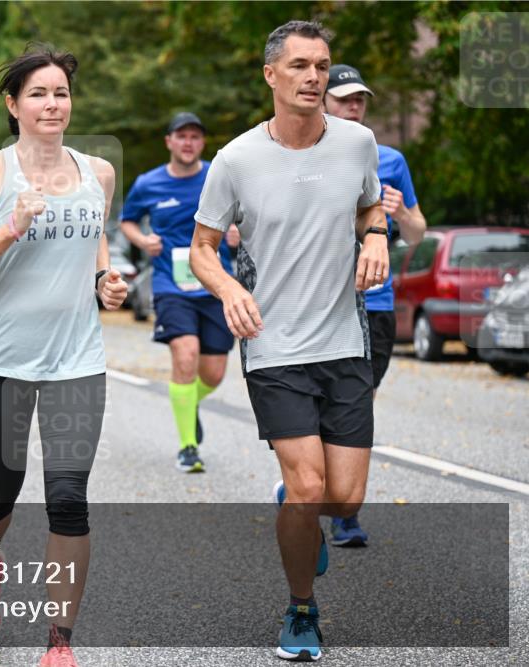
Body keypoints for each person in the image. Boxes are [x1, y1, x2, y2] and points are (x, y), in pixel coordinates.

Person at [191, 21, 388, 662]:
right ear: (271, 75)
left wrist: (379, 235)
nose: (313, 77)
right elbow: (202, 250)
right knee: (308, 489)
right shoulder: (236, 159)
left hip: (343, 341)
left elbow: (368, 207)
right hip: (274, 346)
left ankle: (300, 510)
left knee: (343, 497)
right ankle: (302, 609)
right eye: (299, 65)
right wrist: (226, 289)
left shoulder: (359, 143)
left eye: (322, 65)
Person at [0, 45, 127, 667]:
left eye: (62, 94)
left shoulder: (97, 171)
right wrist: (9, 229)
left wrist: (107, 281)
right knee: (2, 486)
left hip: (77, 358)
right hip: (0, 359)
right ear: (13, 104)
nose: (53, 105)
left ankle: (59, 641)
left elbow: (94, 237)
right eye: (40, 94)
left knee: (69, 494)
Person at [324, 63, 426, 547]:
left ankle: (341, 506)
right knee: (325, 403)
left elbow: (417, 232)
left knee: (357, 401)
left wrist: (400, 212)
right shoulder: (306, 156)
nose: (354, 106)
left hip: (376, 301)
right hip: (320, 300)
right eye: (343, 98)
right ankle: (313, 489)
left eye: (359, 98)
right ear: (323, 102)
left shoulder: (390, 159)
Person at [120, 112, 235, 472]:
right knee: (186, 355)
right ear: (169, 141)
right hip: (172, 284)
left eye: (195, 137)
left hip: (216, 283)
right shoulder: (148, 183)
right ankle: (188, 446)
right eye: (181, 136)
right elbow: (127, 220)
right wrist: (143, 239)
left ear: (202, 143)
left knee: (213, 373)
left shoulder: (220, 176)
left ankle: (189, 403)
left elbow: (249, 213)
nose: (188, 143)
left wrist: (239, 232)